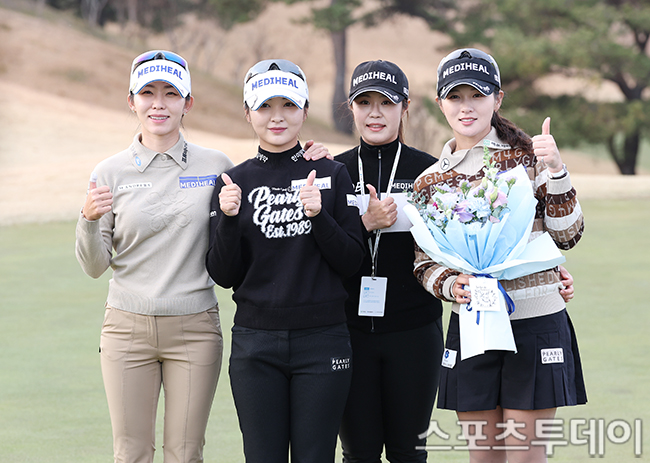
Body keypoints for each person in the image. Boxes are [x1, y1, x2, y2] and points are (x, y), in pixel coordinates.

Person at [413, 48, 587, 463]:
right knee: (484, 457)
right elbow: (423, 262)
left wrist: (557, 169)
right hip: (473, 324)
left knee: (525, 456)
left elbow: (568, 236)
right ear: (440, 103)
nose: (466, 107)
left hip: (536, 320)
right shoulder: (429, 181)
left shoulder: (530, 158)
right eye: (455, 97)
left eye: (478, 95)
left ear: (498, 99)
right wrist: (452, 285)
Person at [205, 59, 365, 463]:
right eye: (265, 106)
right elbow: (222, 274)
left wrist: (319, 216)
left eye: (289, 105)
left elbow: (352, 262)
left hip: (323, 341)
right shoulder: (233, 183)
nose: (277, 117)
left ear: (305, 111)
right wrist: (228, 219)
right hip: (256, 344)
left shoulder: (332, 174)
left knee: (315, 456)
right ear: (248, 113)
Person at [333, 60, 445, 463]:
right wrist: (365, 223)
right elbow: (323, 251)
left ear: (405, 106)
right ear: (351, 107)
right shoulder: (333, 171)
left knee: (408, 453)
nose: (375, 113)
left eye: (386, 103)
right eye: (364, 103)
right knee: (358, 453)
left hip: (415, 331)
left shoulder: (429, 170)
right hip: (348, 332)